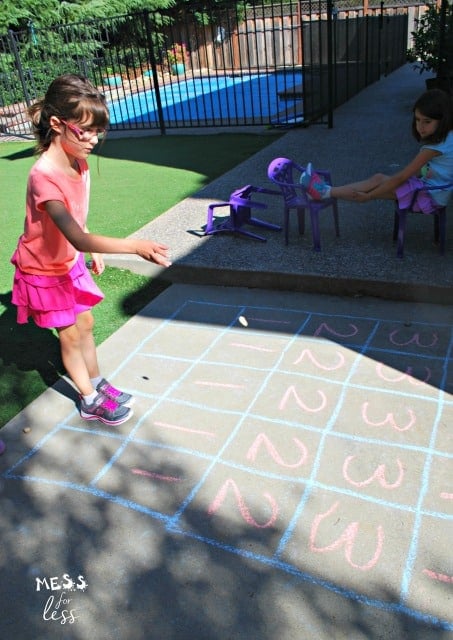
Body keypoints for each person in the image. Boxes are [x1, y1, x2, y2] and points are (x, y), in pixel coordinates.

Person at [10, 74, 172, 427]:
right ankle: (87, 398)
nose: (95, 140)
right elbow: (76, 235)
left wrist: (89, 247)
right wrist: (132, 246)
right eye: (87, 131)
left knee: (86, 324)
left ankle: (97, 382)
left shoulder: (78, 162)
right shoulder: (44, 177)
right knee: (68, 335)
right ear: (57, 124)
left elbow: (75, 220)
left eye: (100, 131)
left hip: (69, 261)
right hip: (43, 271)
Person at [303, 88, 453, 212]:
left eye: (427, 122)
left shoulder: (432, 149)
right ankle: (325, 191)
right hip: (433, 190)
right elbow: (431, 169)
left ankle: (323, 192)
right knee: (378, 179)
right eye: (418, 120)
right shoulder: (449, 137)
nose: (420, 126)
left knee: (370, 189)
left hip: (428, 197)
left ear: (443, 120)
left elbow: (401, 178)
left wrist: (371, 197)